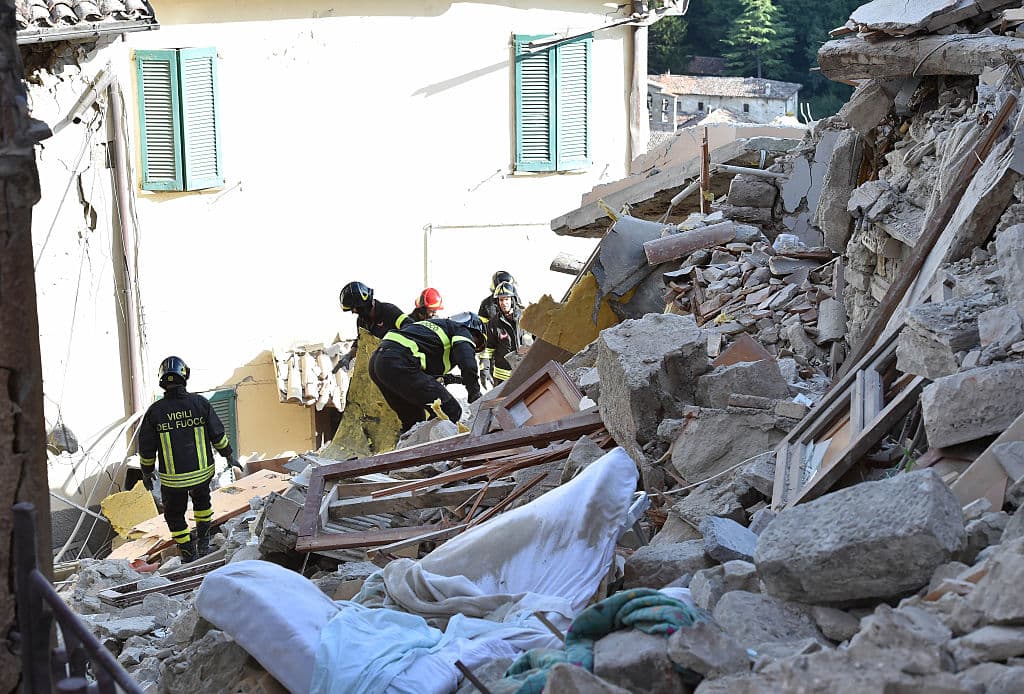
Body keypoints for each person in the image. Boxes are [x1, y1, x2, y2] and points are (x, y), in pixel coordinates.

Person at [138, 356, 241, 562]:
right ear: (185, 376)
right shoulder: (200, 404)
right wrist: (229, 455)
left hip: (173, 481)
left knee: (175, 516)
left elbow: (146, 449)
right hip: (202, 474)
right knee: (203, 506)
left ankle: (188, 553)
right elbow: (218, 435)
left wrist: (146, 472)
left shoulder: (155, 412)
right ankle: (203, 544)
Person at [368, 312, 485, 432]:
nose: (473, 348)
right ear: (473, 331)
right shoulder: (462, 330)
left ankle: (410, 448)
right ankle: (439, 449)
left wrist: (451, 378)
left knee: (414, 421)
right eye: (476, 344)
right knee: (450, 410)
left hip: (379, 364)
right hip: (398, 361)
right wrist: (474, 393)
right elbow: (468, 363)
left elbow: (421, 376)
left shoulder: (433, 328)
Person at [338, 281, 409, 370]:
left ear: (362, 304)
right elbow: (361, 341)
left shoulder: (389, 311)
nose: (353, 312)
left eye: (354, 308)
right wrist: (349, 355)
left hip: (400, 364)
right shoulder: (361, 321)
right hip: (380, 367)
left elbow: (410, 328)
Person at [478, 271, 521, 385]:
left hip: (523, 372)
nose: (504, 303)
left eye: (506, 299)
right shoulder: (493, 321)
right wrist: (484, 368)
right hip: (501, 375)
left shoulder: (525, 317)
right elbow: (488, 346)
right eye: (501, 300)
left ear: (512, 300)